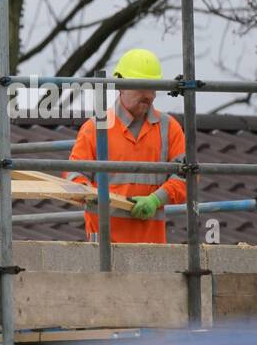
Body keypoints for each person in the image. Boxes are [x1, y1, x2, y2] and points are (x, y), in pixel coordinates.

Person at [64, 48, 186, 243]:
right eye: (141, 87)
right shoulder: (94, 128)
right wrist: (87, 193)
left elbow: (186, 177)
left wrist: (157, 199)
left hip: (151, 246)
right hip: (103, 245)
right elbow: (74, 174)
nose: (149, 95)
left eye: (153, 88)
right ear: (121, 85)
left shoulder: (169, 128)